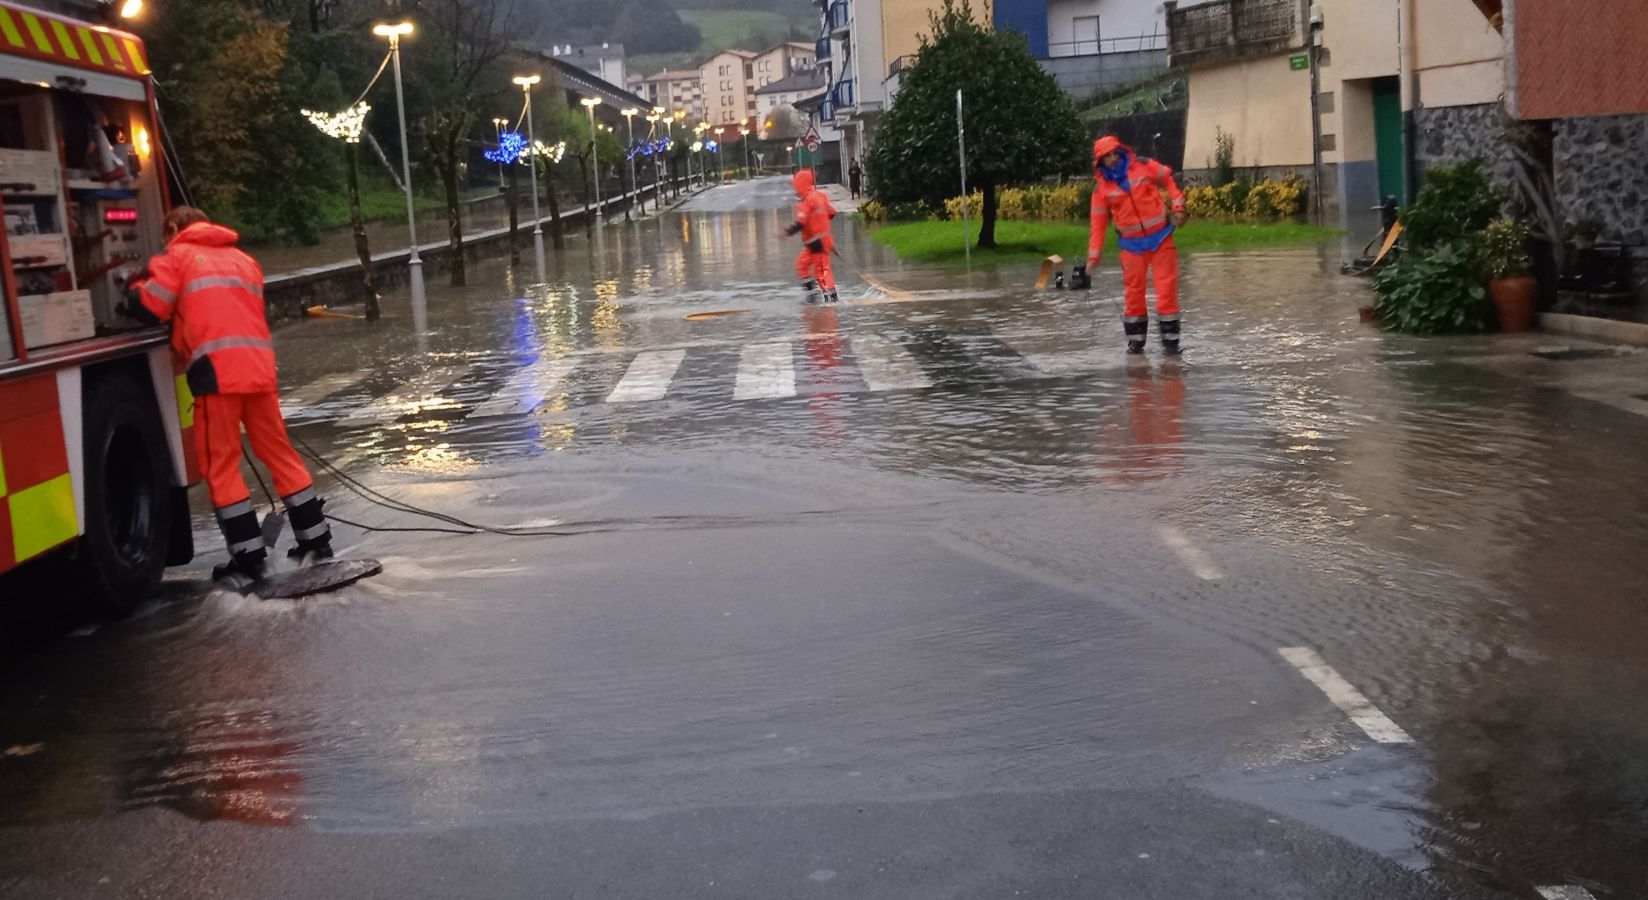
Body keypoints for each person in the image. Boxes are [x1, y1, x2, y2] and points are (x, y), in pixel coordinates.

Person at [128, 207, 333, 579]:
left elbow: (150, 307)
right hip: (259, 369)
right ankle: (316, 542)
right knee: (279, 453)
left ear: (174, 228)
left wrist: (132, 287)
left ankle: (249, 558)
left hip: (215, 375)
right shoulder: (244, 260)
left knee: (220, 464)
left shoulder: (177, 257)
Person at [1087, 135, 1189, 354]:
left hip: (1161, 238)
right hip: (1131, 246)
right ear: (1100, 162)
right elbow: (1097, 227)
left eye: (1115, 153)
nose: (1113, 159)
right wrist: (1093, 258)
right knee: (1133, 293)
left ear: (1120, 151)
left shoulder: (1142, 165)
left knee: (1166, 289)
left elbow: (1168, 178)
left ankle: (1171, 343)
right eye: (1107, 157)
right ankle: (1136, 343)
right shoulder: (1100, 190)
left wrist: (1178, 207)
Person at [784, 169, 838, 303]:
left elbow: (800, 224)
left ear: (801, 185)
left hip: (817, 242)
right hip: (816, 242)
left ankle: (830, 299)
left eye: (796, 186)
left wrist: (786, 233)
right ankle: (814, 295)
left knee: (822, 270)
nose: (795, 190)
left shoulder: (806, 202)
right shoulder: (821, 196)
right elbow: (832, 213)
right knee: (803, 265)